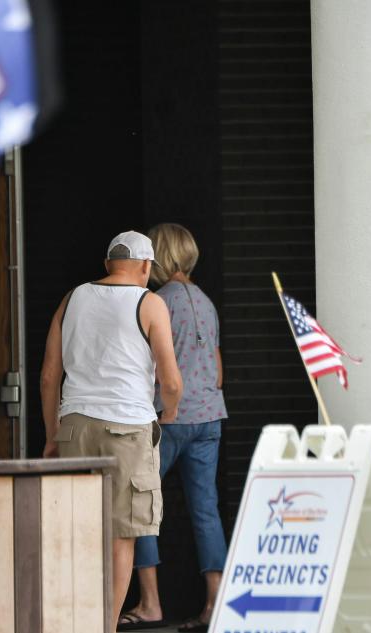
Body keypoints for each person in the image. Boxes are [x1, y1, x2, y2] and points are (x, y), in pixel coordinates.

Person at [41, 230, 183, 633]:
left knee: (78, 529)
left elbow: (50, 374)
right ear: (145, 267)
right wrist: (168, 413)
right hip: (128, 429)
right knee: (122, 534)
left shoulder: (72, 299)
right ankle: (104, 627)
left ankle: (73, 621)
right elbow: (171, 381)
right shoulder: (149, 303)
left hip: (75, 427)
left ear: (107, 264)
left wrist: (54, 433)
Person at [118, 224, 228, 633]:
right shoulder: (206, 302)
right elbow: (217, 372)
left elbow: (152, 370)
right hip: (210, 417)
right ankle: (215, 601)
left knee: (140, 504)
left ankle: (150, 603)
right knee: (206, 509)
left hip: (170, 418)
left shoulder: (155, 302)